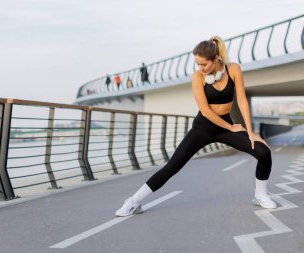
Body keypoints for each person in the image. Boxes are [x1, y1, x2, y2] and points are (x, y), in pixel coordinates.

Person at [115, 36, 277, 217]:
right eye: (197, 64)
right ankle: (133, 201)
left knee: (263, 152)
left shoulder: (233, 70)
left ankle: (260, 195)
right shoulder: (197, 77)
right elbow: (206, 111)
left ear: (216, 59)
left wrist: (251, 132)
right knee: (172, 166)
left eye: (203, 64)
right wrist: (231, 128)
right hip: (203, 128)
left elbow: (241, 101)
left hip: (225, 126)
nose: (200, 68)